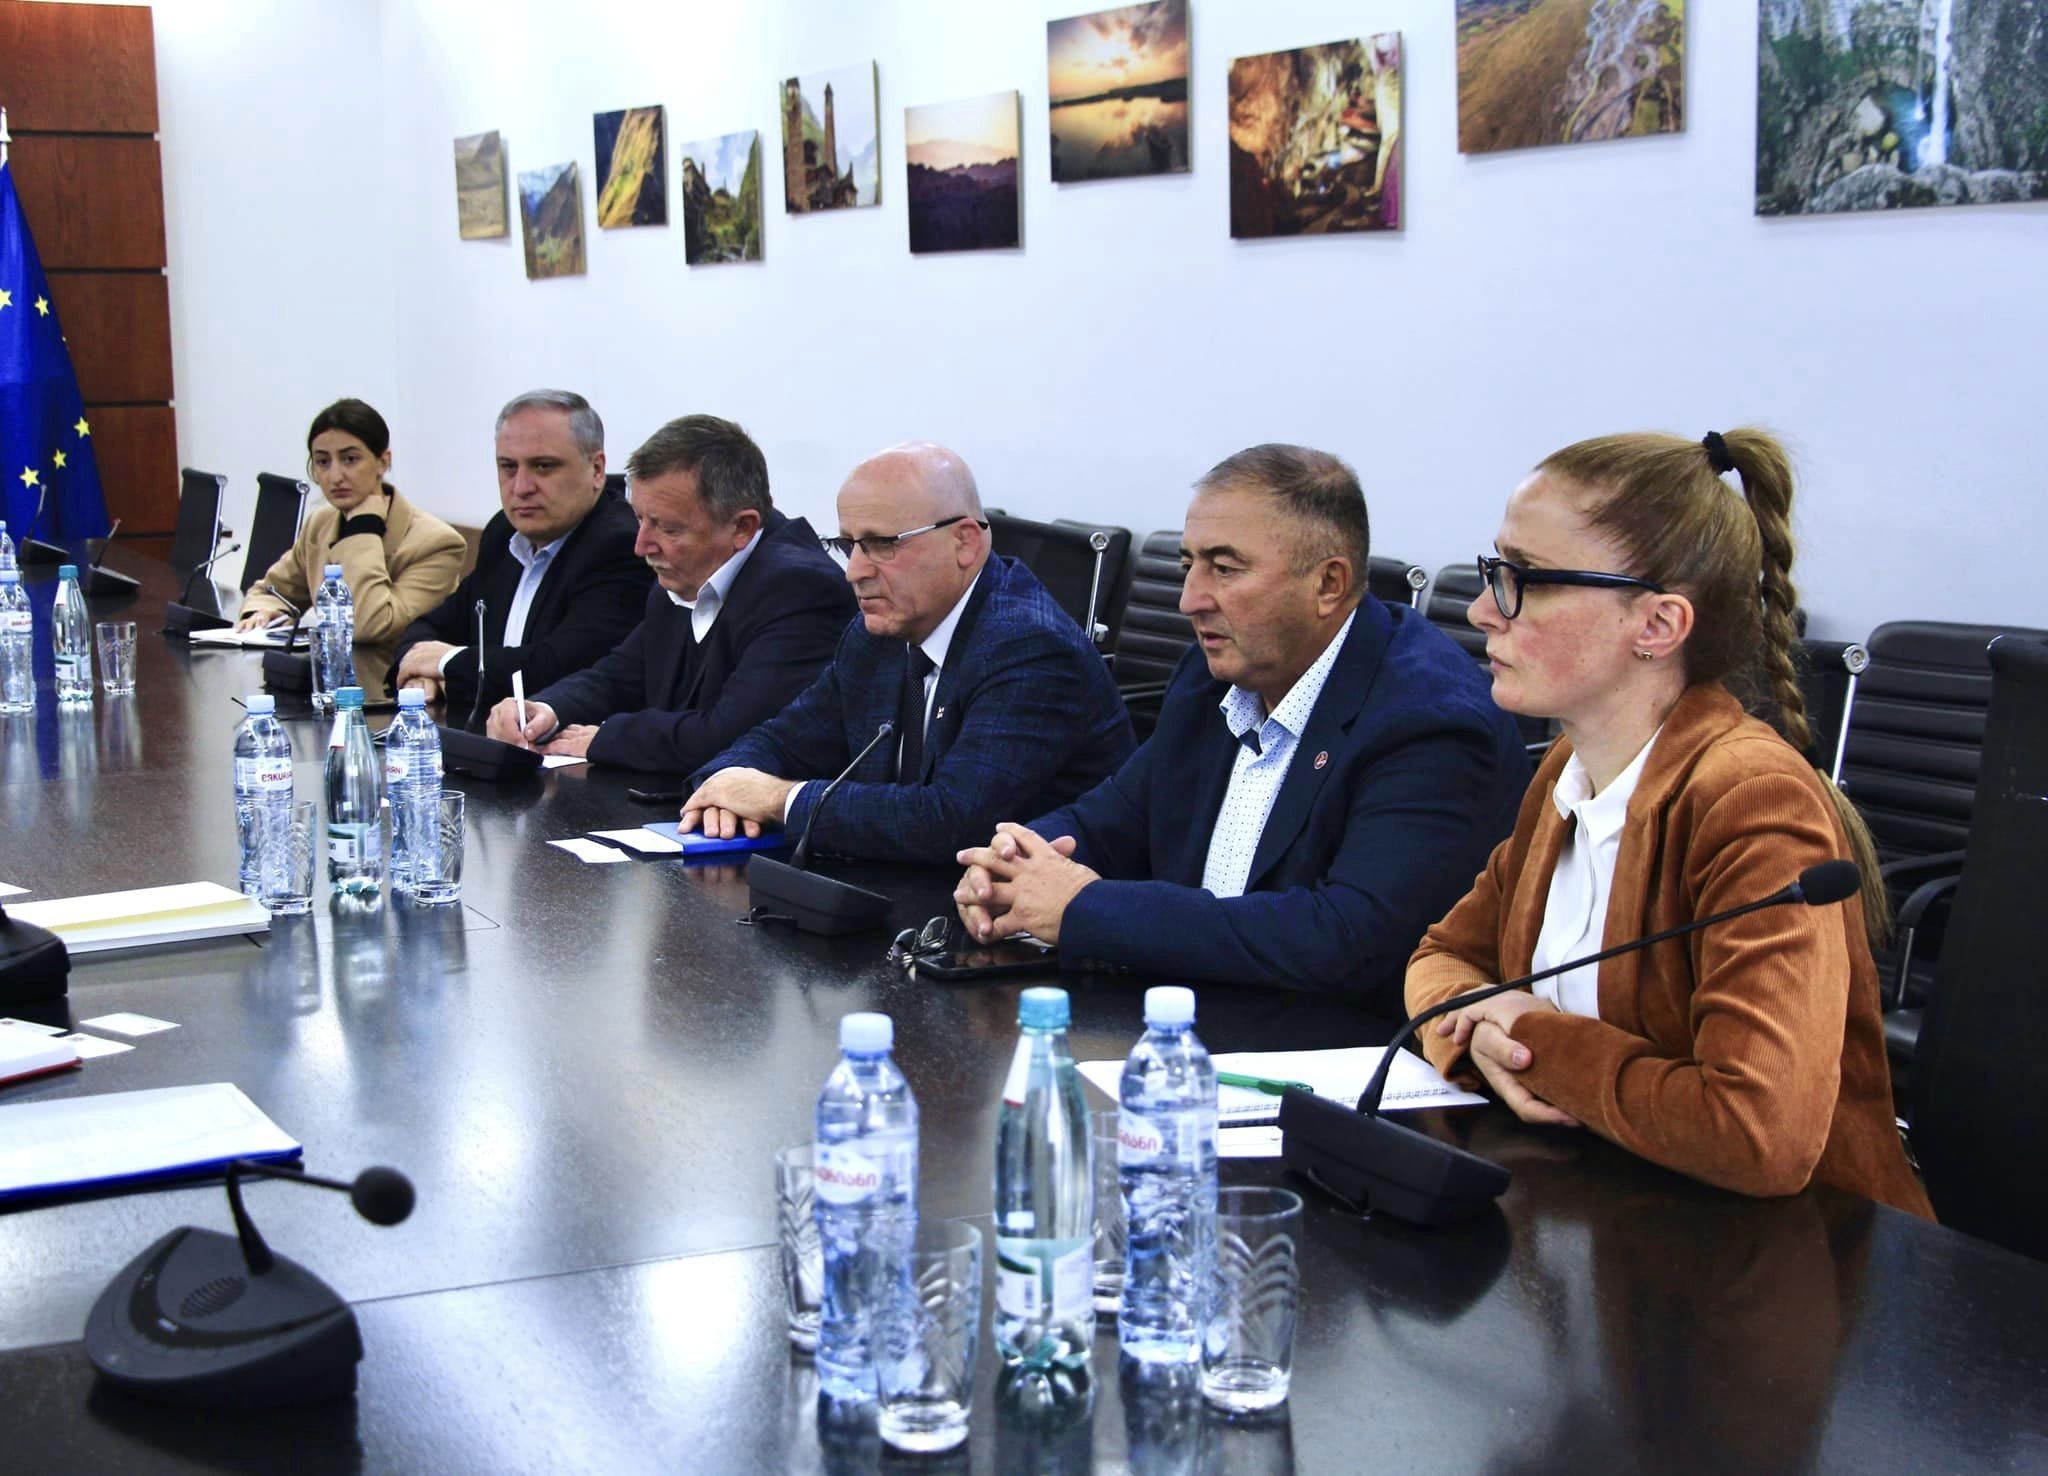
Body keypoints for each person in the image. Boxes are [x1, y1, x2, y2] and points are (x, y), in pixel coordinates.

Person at [1405, 428, 1932, 1215]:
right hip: (1604, 1213)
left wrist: (1535, 1042)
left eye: (1526, 580)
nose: (1484, 610)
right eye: (1493, 572)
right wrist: (1482, 1036)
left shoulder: (1753, 802)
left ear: (1657, 626)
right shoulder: (1570, 768)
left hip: (1788, 1260)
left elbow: (1757, 1133)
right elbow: (1442, 956)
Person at [952, 444, 1528, 1017]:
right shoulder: (1213, 677)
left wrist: (1081, 907)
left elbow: (1345, 939)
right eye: (1188, 566)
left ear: (1328, 584)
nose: (1189, 600)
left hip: (1332, 1045)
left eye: (1224, 569)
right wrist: (1011, 864)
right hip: (1194, 1020)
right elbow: (1108, 820)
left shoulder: (1429, 721)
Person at [681, 441, 1133, 862]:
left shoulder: (1028, 646)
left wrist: (776, 799)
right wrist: (724, 787)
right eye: (848, 545)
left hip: (1024, 912)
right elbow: (782, 740)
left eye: (881, 544)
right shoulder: (878, 633)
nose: (854, 572)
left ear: (964, 542)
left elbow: (952, 821)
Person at [487, 414, 852, 772]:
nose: (641, 545)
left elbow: (730, 736)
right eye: (640, 519)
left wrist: (605, 739)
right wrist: (546, 709)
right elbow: (620, 674)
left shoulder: (801, 590)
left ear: (742, 527)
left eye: (667, 528)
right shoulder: (686, 566)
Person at [390, 390, 649, 719]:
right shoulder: (504, 533)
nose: (522, 487)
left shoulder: (620, 544)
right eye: (508, 467)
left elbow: (555, 671)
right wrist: (420, 673)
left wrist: (444, 664)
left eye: (543, 466)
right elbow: (428, 628)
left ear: (596, 470)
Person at [236, 398, 464, 699]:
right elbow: (271, 590)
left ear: (383, 462)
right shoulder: (321, 523)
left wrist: (363, 528)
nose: (335, 476)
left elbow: (367, 625)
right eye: (323, 462)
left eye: (350, 459)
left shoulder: (436, 543)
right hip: (330, 687)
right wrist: (265, 613)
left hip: (396, 696)